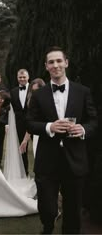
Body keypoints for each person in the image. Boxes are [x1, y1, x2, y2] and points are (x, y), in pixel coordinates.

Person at [27, 46, 98, 234]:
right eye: (51, 62)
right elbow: (29, 122)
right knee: (48, 208)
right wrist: (49, 127)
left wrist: (82, 129)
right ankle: (48, 226)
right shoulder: (38, 95)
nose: (56, 65)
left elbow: (93, 121)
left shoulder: (82, 91)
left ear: (66, 63)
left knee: (73, 212)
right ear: (46, 66)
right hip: (47, 161)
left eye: (59, 61)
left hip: (74, 160)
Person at [10, 69, 30, 175]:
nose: (22, 79)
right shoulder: (13, 91)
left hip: (35, 122)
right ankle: (24, 172)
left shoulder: (34, 89)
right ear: (17, 78)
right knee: (22, 148)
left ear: (28, 77)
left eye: (24, 77)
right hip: (19, 124)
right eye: (20, 77)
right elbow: (10, 109)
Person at [19, 78, 45, 157]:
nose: (36, 93)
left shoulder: (49, 101)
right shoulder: (32, 102)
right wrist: (25, 140)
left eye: (37, 90)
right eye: (33, 91)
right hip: (37, 135)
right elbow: (31, 122)